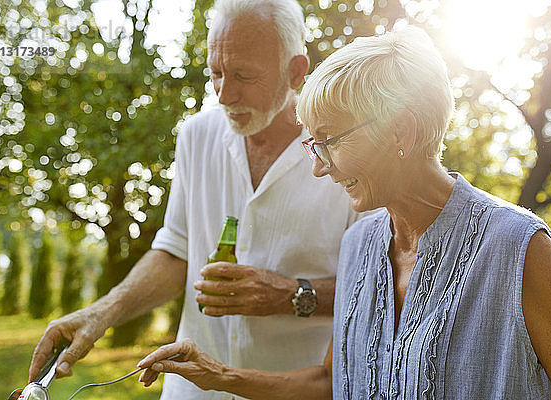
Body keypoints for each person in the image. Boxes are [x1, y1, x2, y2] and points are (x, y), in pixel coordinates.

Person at [136, 26, 551, 399]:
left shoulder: (517, 248)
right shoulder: (358, 244)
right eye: (313, 143)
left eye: (330, 140)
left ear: (400, 131)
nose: (318, 165)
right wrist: (219, 375)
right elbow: (332, 381)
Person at [28, 1, 362, 399]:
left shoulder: (347, 152)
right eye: (215, 73)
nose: (224, 94)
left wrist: (289, 294)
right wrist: (100, 315)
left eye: (243, 75)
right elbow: (176, 252)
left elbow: (382, 287)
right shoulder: (196, 135)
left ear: (295, 71)